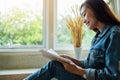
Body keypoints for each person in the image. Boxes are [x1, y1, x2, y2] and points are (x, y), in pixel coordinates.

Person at [24, 0, 120, 80]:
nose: (83, 20)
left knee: (53, 66)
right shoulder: (97, 37)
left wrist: (78, 71)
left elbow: (112, 75)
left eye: (84, 14)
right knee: (55, 64)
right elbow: (88, 64)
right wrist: (70, 59)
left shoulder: (115, 34)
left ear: (96, 10)